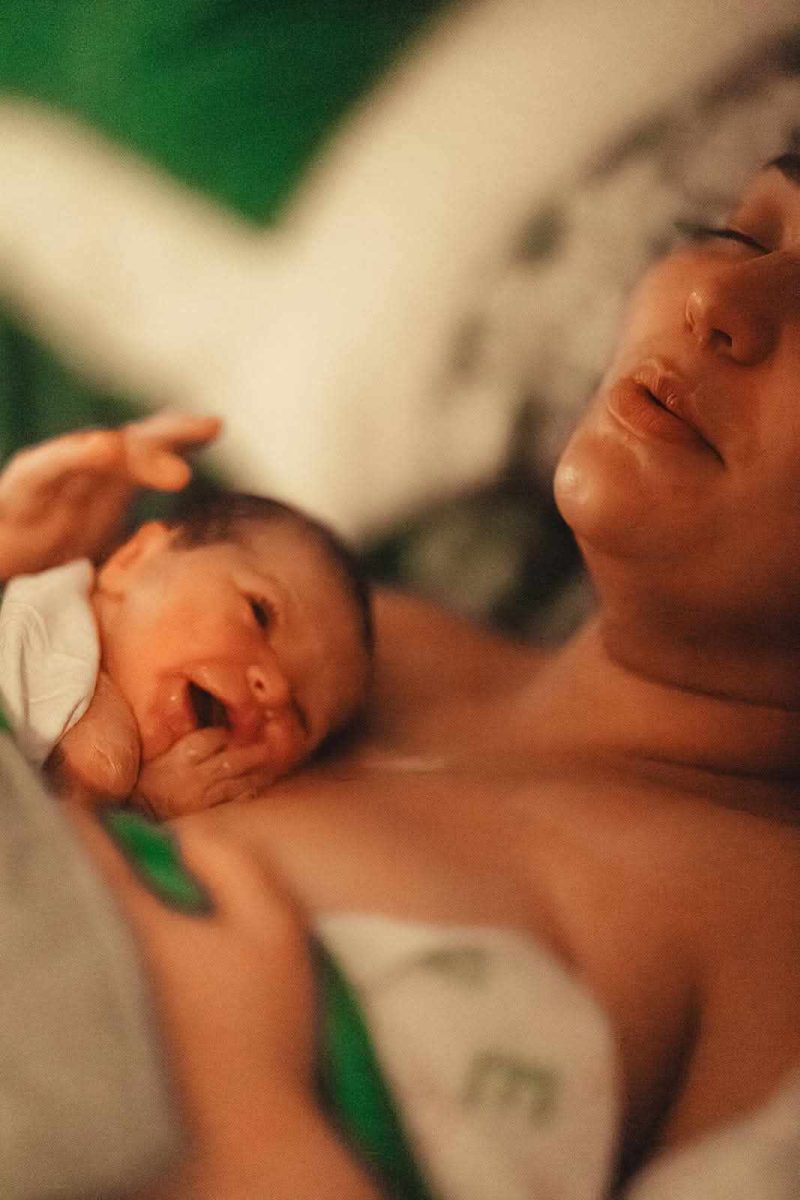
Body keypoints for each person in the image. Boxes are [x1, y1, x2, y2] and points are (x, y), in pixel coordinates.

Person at [7, 154, 800, 1200]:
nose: (715, 298)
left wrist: (255, 1121)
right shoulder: (364, 628)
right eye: (741, 233)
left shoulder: (764, 947)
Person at [0, 413, 372, 817]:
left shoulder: (141, 808)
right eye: (259, 614)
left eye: (299, 717)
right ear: (133, 558)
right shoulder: (34, 605)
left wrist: (147, 803)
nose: (277, 689)